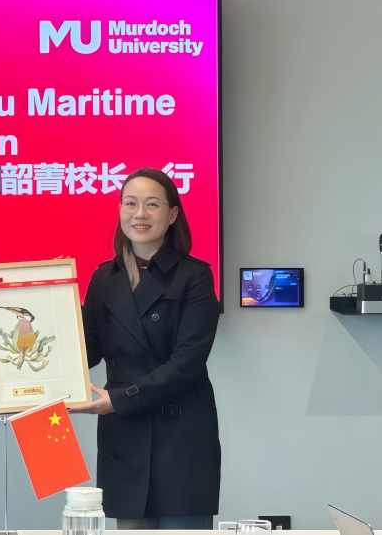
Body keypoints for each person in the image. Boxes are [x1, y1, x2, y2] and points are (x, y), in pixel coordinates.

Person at [69, 167, 221, 530]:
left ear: (172, 214)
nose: (140, 214)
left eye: (152, 204)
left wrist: (120, 400)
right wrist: (47, 313)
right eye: (130, 204)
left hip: (179, 431)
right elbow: (86, 350)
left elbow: (187, 363)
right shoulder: (103, 277)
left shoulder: (195, 275)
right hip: (124, 431)